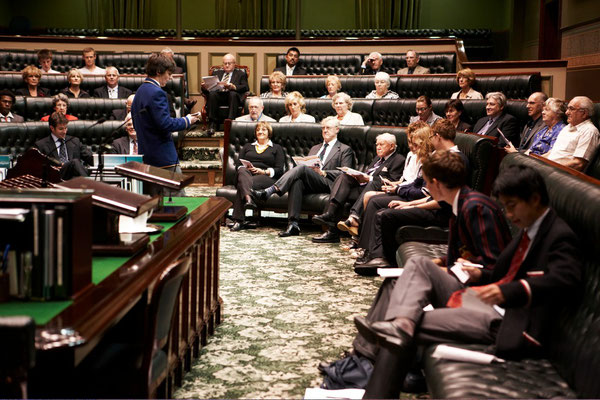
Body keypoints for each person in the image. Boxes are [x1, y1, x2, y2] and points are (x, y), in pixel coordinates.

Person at [357, 163, 581, 399]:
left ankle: (373, 375)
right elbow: (502, 272)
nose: (510, 215)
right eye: (506, 207)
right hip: (487, 304)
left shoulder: (559, 235)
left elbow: (566, 279)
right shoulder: (531, 228)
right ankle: (394, 335)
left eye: (512, 206)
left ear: (535, 199)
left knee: (402, 328)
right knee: (414, 283)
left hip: (508, 322)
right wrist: (480, 275)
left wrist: (509, 291)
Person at [345, 150, 511, 369]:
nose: (425, 187)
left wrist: (453, 271)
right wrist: (443, 262)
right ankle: (363, 355)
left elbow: (496, 267)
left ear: (435, 183)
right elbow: (469, 253)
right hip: (467, 285)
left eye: (426, 181)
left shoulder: (476, 208)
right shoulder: (461, 204)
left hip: (483, 299)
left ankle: (366, 354)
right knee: (393, 283)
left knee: (417, 268)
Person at [352, 121, 467, 273]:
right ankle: (375, 254)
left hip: (441, 213)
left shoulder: (453, 160)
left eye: (431, 136)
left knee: (384, 214)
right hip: (433, 206)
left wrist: (411, 204)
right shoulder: (441, 157)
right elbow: (430, 193)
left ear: (437, 136)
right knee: (379, 206)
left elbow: (441, 201)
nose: (429, 141)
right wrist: (407, 203)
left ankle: (382, 258)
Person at [252, 117, 354, 237]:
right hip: (312, 182)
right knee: (297, 181)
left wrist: (324, 172)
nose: (325, 131)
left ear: (337, 129)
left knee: (302, 169)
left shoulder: (344, 149)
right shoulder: (315, 148)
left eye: (328, 128)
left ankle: (270, 190)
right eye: (323, 128)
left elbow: (345, 172)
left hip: (329, 184)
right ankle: (293, 224)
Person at [338, 121, 428, 238]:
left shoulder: (404, 159)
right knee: (343, 177)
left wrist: (396, 187)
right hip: (398, 188)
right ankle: (332, 220)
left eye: (382, 144)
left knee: (371, 194)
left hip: (405, 192)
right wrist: (395, 184)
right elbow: (403, 179)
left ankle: (358, 233)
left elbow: (417, 185)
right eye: (409, 142)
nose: (411, 146)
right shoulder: (410, 155)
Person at [312, 133, 405, 244]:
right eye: (377, 145)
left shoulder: (399, 160)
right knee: (343, 178)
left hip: (377, 191)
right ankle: (331, 216)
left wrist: (368, 179)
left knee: (370, 183)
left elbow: (391, 182)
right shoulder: (377, 158)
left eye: (382, 144)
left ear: (392, 146)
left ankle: (350, 219)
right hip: (363, 188)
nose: (378, 147)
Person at [131, 53, 198, 194]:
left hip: (147, 155)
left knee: (156, 203)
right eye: (168, 73)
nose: (170, 77)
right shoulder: (157, 93)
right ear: (158, 72)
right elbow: (165, 124)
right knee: (177, 201)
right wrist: (187, 120)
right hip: (163, 158)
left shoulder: (140, 91)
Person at [230, 122, 285, 231]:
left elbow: (279, 170)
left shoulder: (276, 148)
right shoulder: (247, 146)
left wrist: (263, 171)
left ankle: (238, 220)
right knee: (242, 172)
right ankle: (248, 198)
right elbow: (238, 165)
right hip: (246, 174)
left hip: (265, 177)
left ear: (269, 132)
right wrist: (247, 168)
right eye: (258, 130)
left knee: (243, 184)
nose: (260, 132)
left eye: (263, 129)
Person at [546, 96, 600, 172]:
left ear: (584, 113)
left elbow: (578, 164)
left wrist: (549, 169)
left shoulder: (589, 131)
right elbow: (552, 153)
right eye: (567, 108)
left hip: (561, 174)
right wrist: (536, 162)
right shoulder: (567, 127)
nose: (566, 112)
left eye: (571, 109)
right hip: (548, 169)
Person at [34, 112, 93, 179]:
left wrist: (101, 159)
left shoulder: (75, 141)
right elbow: (38, 168)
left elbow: (89, 157)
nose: (64, 131)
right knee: (74, 162)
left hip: (74, 178)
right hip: (56, 177)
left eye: (66, 128)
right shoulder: (41, 145)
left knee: (76, 165)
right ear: (52, 128)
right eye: (61, 129)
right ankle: (90, 184)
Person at [202, 53, 249, 135]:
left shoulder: (241, 74)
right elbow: (208, 91)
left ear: (234, 64)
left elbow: (245, 87)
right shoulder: (216, 73)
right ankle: (212, 124)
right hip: (219, 96)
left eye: (229, 63)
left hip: (232, 97)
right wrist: (205, 87)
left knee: (232, 94)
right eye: (225, 63)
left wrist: (233, 86)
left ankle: (230, 122)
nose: (227, 65)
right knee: (212, 94)